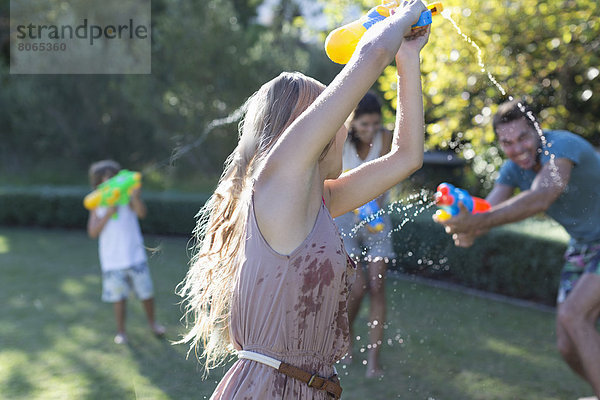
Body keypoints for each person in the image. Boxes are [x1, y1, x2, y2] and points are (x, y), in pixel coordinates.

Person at [177, 1, 429, 398]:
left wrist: (407, 57)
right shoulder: (276, 183)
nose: (343, 128)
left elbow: (407, 156)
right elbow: (371, 53)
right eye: (335, 118)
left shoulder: (317, 201)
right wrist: (404, 14)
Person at [435, 99, 600, 397]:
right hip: (584, 245)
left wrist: (475, 223)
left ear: (537, 130)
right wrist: (464, 225)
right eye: (507, 142)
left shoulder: (560, 147)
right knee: (567, 345)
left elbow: (542, 196)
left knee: (574, 316)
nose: (517, 149)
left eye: (523, 137)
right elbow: (486, 212)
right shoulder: (513, 169)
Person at [334, 92, 395, 377]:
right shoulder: (339, 139)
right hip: (346, 220)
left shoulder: (386, 138)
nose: (370, 130)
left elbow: (390, 177)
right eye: (364, 124)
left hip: (377, 219)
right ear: (353, 122)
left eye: (375, 123)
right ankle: (344, 343)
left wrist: (372, 209)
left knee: (377, 285)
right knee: (356, 288)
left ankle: (374, 361)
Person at [87, 160, 165, 345]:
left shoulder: (128, 197)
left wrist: (136, 197)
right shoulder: (97, 203)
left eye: (113, 177)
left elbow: (141, 213)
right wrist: (107, 213)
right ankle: (121, 332)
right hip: (112, 260)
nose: (109, 181)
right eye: (104, 179)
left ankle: (153, 324)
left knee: (146, 294)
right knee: (118, 298)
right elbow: (92, 232)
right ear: (97, 183)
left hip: (134, 255)